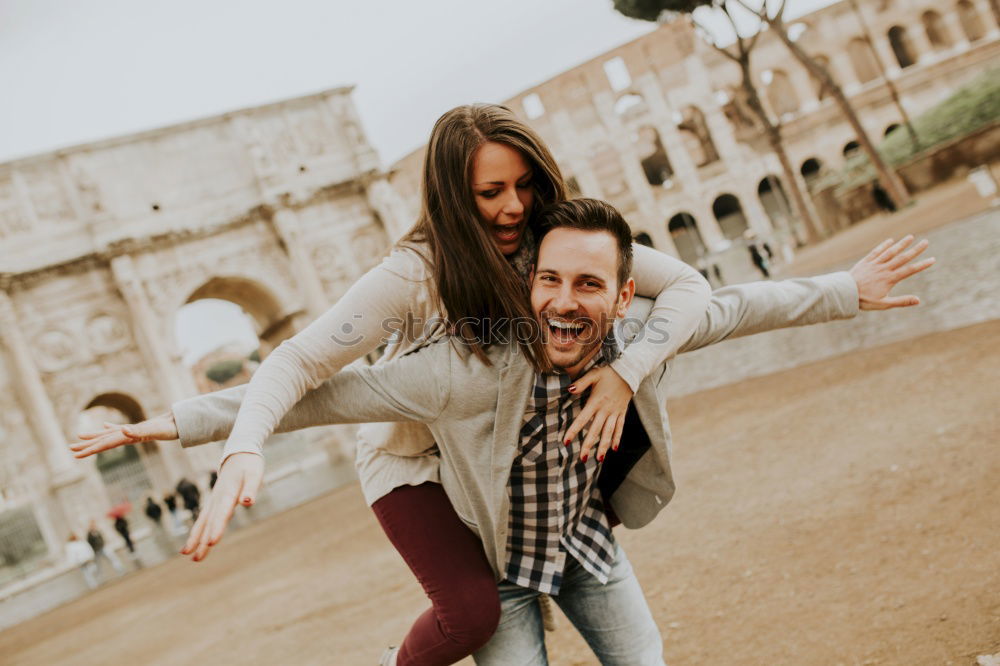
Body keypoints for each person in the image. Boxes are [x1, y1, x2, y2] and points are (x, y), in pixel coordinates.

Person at [76, 200, 932, 664]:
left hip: (585, 542)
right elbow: (327, 391)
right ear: (526, 290)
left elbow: (740, 305)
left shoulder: (640, 339)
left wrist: (847, 288)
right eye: (548, 280)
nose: (565, 299)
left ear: (624, 297)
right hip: (495, 559)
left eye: (588, 284)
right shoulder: (464, 366)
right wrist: (180, 423)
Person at [76, 104, 712, 666]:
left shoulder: (555, 237)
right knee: (473, 609)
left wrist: (625, 374)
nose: (514, 206)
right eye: (490, 191)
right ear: (451, 198)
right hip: (413, 454)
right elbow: (303, 363)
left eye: (525, 185)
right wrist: (241, 440)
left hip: (502, 456)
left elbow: (688, 285)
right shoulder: (413, 274)